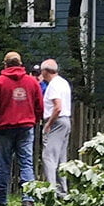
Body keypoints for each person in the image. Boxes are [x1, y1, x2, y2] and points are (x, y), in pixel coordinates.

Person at [0, 50, 44, 206]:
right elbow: (40, 106)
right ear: (21, 64)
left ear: (5, 64)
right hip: (26, 127)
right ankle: (28, 199)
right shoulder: (32, 82)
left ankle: (1, 199)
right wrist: (34, 120)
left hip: (5, 127)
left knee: (4, 164)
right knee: (26, 163)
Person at [38, 58, 73, 194]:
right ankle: (62, 191)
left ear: (46, 71)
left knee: (49, 157)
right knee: (60, 158)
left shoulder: (53, 86)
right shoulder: (63, 83)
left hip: (56, 122)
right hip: (66, 120)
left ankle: (52, 191)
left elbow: (57, 107)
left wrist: (49, 124)